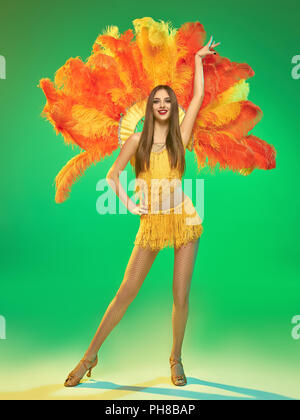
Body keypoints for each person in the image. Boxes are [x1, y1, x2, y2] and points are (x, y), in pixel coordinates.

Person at [64, 36, 221, 388]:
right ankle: (89, 356)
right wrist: (131, 204)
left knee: (180, 295)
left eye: (168, 100)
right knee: (125, 292)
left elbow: (197, 98)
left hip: (185, 221)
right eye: (157, 100)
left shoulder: (181, 135)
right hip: (151, 224)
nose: (163, 104)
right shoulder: (136, 141)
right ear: (150, 107)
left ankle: (176, 359)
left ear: (172, 106)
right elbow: (112, 175)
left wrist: (198, 58)